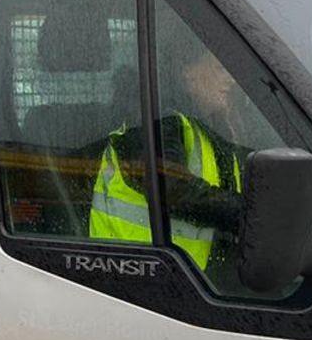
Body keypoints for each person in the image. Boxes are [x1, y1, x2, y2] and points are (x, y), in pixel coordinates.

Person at [88, 42, 250, 271]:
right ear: (187, 71)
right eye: (220, 69)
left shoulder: (203, 127)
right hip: (136, 278)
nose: (231, 80)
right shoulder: (155, 122)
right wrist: (247, 214)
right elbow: (171, 188)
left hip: (181, 275)